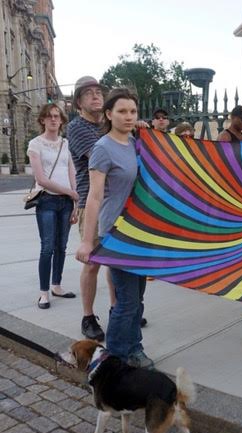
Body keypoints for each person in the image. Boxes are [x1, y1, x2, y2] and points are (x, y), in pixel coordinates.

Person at [76, 88, 154, 369]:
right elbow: (94, 197)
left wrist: (145, 131)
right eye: (122, 111)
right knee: (126, 299)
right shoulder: (102, 148)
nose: (129, 116)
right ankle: (120, 357)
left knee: (137, 297)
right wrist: (87, 241)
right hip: (116, 232)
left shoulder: (135, 142)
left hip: (139, 231)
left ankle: (133, 347)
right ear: (108, 114)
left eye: (133, 111)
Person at [68, 76, 111, 341]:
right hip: (91, 203)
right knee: (93, 263)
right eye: (88, 93)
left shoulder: (109, 125)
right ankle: (87, 315)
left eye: (98, 92)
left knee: (116, 262)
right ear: (78, 102)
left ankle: (118, 309)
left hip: (116, 202)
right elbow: (104, 157)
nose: (95, 96)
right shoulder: (77, 127)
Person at [28, 103, 79, 309]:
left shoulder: (65, 143)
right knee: (47, 247)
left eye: (57, 116)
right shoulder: (35, 144)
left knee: (62, 246)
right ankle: (43, 292)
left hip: (66, 202)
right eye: (49, 116)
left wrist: (75, 202)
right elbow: (41, 178)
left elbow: (71, 172)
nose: (53, 119)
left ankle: (56, 285)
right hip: (47, 200)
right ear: (42, 120)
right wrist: (69, 192)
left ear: (61, 120)